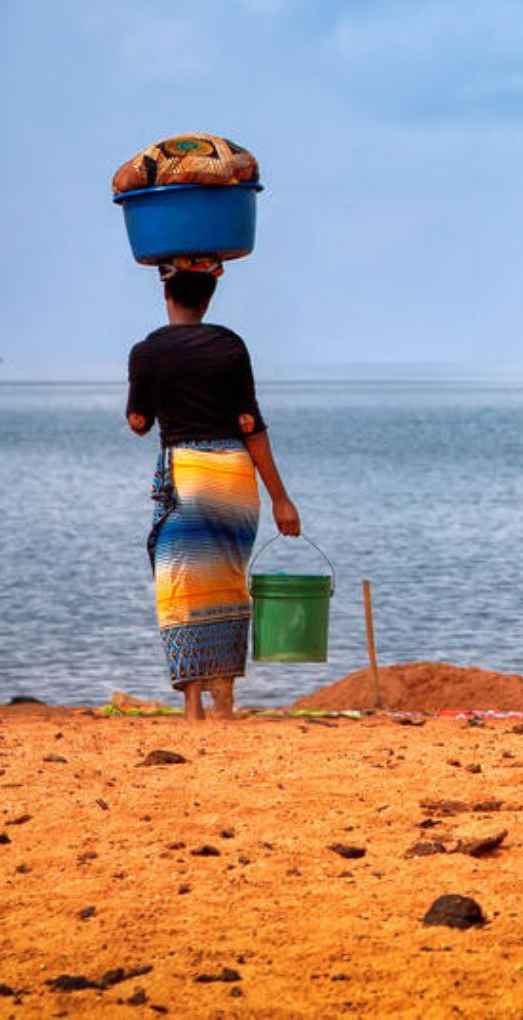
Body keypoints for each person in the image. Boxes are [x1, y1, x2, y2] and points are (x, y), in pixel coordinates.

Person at [125, 260, 300, 722]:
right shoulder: (230, 347)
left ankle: (192, 707)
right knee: (227, 586)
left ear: (167, 295)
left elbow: (138, 424)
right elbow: (250, 425)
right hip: (236, 482)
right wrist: (281, 497)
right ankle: (225, 701)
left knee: (182, 590)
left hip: (189, 475)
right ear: (208, 298)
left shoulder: (146, 353)